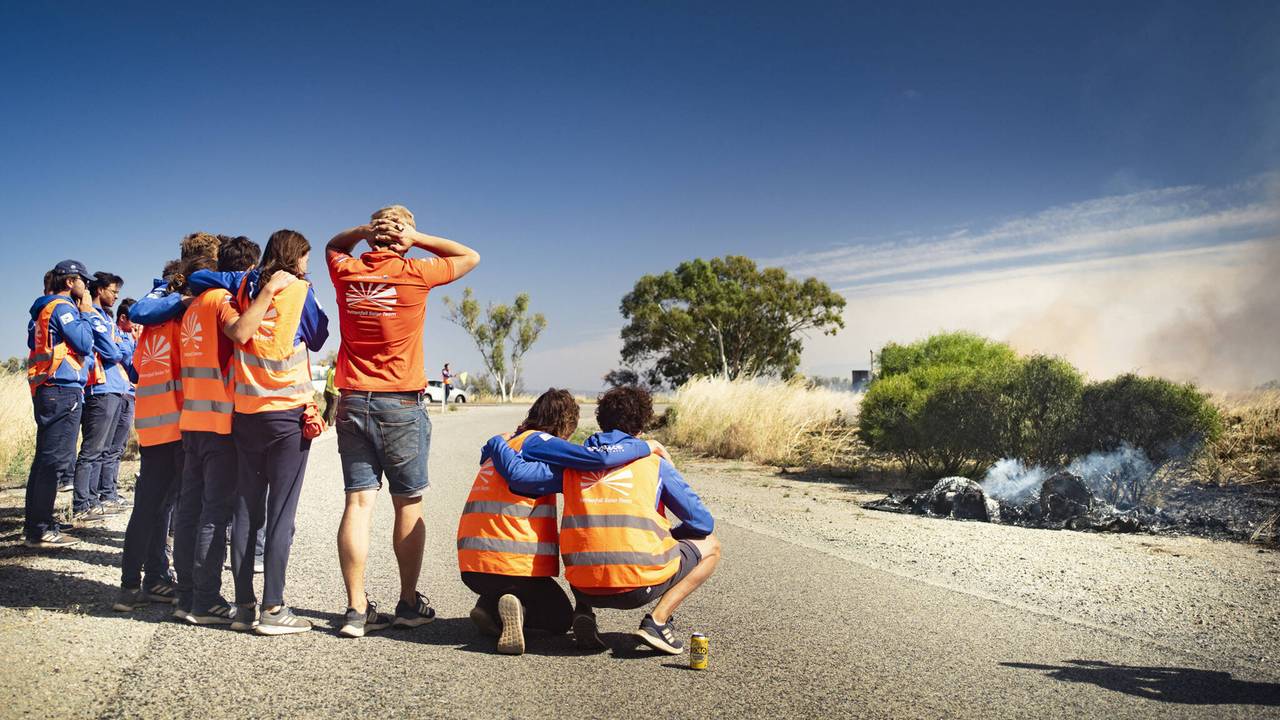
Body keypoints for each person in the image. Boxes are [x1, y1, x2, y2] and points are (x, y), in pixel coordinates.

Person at [324, 205, 480, 637]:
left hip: (353, 399)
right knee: (407, 502)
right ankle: (408, 603)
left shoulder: (346, 271)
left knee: (358, 503)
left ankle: (356, 610)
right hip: (401, 404)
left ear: (373, 236)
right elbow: (470, 256)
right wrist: (417, 236)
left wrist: (364, 229)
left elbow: (333, 245)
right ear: (403, 235)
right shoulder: (417, 272)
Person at [485, 386, 720, 655]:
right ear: (640, 427)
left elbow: (522, 478)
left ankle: (583, 610)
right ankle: (657, 622)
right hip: (639, 587)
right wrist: (666, 537)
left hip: (585, 582)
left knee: (589, 534)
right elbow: (702, 524)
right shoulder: (654, 464)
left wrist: (498, 445)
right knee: (711, 545)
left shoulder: (572, 465)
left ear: (600, 421)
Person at [190, 229, 329, 634]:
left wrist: (263, 288)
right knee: (281, 514)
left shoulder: (246, 285)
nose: (307, 264)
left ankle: (244, 607)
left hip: (246, 414)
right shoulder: (302, 290)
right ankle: (273, 609)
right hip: (286, 416)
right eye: (305, 256)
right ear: (295, 256)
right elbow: (318, 337)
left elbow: (200, 279)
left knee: (246, 512)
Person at [459, 388, 658, 654]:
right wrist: (645, 446)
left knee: (510, 587)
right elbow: (595, 459)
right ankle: (517, 609)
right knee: (559, 619)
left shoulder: (509, 445)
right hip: (511, 565)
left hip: (472, 569)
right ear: (565, 425)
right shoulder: (538, 442)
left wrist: (494, 441)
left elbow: (498, 460)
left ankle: (489, 606)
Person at [173, 238, 287, 625]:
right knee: (214, 514)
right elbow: (239, 331)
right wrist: (266, 295)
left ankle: (185, 595)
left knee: (189, 511)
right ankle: (206, 601)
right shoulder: (220, 299)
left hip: (191, 420)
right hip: (221, 421)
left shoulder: (189, 309)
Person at [114, 260, 188, 609]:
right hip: (180, 424)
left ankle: (132, 588)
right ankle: (189, 590)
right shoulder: (181, 322)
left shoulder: (149, 328)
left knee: (148, 507)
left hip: (150, 424)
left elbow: (138, 367)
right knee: (182, 507)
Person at [23, 260, 97, 548]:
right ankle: (40, 530)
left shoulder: (43, 308)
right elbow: (84, 342)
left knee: (44, 460)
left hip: (47, 388)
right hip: (61, 388)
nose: (86, 287)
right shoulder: (64, 308)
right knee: (52, 462)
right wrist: (87, 312)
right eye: (83, 281)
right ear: (70, 282)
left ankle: (38, 525)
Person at [70, 272, 133, 522]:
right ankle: (82, 504)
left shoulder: (107, 319)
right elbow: (111, 351)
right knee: (92, 449)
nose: (115, 296)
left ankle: (96, 499)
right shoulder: (93, 316)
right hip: (100, 388)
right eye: (112, 291)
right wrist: (117, 349)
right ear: (99, 291)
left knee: (106, 448)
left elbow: (124, 351)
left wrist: (118, 348)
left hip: (117, 387)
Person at [97, 298, 140, 513]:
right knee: (106, 446)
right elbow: (121, 355)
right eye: (134, 319)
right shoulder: (116, 333)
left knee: (118, 447)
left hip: (128, 392)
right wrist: (131, 344)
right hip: (113, 389)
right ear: (123, 318)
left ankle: (110, 491)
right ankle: (103, 493)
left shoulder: (134, 338)